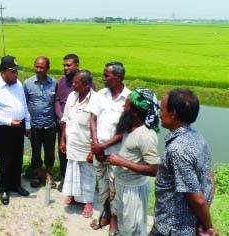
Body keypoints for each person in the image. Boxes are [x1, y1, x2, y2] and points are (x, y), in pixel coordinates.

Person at [150, 88, 218, 236]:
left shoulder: (177, 150)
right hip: (187, 226)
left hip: (172, 228)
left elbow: (197, 199)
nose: (159, 114)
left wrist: (209, 227)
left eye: (162, 110)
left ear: (173, 114)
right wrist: (202, 222)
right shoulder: (198, 138)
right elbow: (210, 178)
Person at [107, 88, 160, 236]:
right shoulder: (129, 127)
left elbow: (153, 170)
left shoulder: (146, 136)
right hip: (121, 184)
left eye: (126, 105)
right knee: (123, 225)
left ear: (136, 112)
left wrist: (122, 162)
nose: (123, 107)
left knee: (134, 229)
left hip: (134, 190)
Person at [89, 61, 131, 234]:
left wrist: (103, 146)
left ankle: (114, 220)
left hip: (117, 154)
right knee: (103, 186)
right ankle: (105, 214)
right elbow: (93, 119)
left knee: (115, 188)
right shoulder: (100, 94)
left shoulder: (129, 98)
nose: (103, 78)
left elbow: (126, 129)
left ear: (118, 77)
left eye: (107, 76)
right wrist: (95, 145)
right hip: (99, 151)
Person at [0, 55, 31, 205]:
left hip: (19, 126)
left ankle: (16, 184)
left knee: (18, 157)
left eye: (17, 72)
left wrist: (27, 125)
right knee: (6, 160)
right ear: (3, 71)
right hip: (4, 129)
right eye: (13, 72)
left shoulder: (18, 84)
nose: (16, 75)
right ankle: (4, 188)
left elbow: (23, 105)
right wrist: (9, 122)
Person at [60, 70, 97, 218]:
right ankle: (73, 195)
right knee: (72, 169)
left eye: (76, 83)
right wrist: (63, 139)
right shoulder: (72, 96)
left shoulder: (95, 99)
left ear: (87, 85)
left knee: (87, 174)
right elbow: (66, 119)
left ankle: (88, 202)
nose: (73, 85)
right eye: (73, 82)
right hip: (72, 142)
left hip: (86, 145)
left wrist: (93, 150)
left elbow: (98, 127)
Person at [55, 54, 95, 192]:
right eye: (64, 65)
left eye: (68, 65)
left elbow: (92, 110)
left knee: (82, 159)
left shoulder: (88, 83)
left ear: (76, 65)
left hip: (82, 128)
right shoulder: (61, 82)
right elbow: (57, 101)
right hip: (65, 124)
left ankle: (83, 190)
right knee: (63, 153)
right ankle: (66, 180)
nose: (65, 68)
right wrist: (61, 117)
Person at [23, 56, 57, 188]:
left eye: (41, 67)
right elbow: (24, 105)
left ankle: (49, 174)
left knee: (50, 151)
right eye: (36, 66)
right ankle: (37, 174)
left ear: (47, 68)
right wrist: (26, 125)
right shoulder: (27, 83)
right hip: (34, 125)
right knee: (36, 151)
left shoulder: (54, 83)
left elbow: (56, 102)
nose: (38, 69)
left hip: (50, 124)